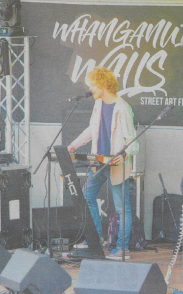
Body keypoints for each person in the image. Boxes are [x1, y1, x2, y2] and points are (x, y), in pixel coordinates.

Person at [68, 66, 139, 260]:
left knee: (121, 208)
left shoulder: (123, 108)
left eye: (93, 85)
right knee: (87, 196)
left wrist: (124, 154)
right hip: (98, 162)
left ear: (104, 84)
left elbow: (134, 142)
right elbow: (92, 129)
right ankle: (95, 238)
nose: (91, 89)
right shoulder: (98, 104)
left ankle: (122, 249)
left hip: (116, 165)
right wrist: (73, 146)